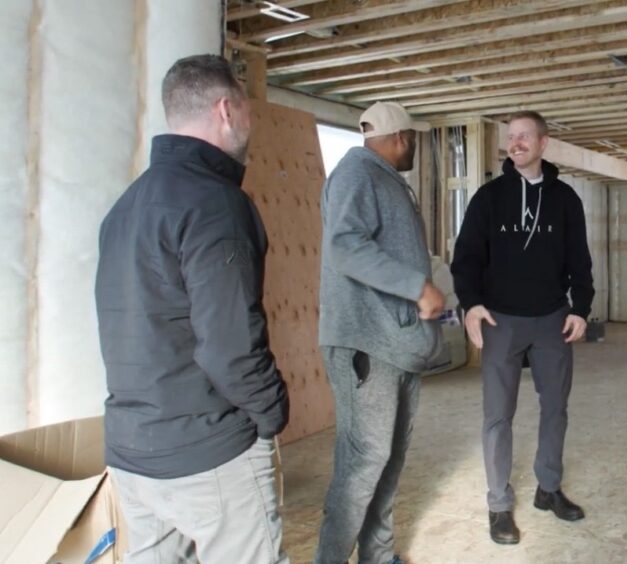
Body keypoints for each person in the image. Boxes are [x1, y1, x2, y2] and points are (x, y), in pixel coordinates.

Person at [95, 54, 289, 563]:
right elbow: (230, 347)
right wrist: (272, 412)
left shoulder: (126, 206)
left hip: (133, 453)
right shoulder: (215, 204)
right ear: (226, 109)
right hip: (210, 452)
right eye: (246, 104)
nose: (250, 118)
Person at [451, 110, 594, 545]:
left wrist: (581, 308)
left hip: (552, 318)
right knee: (498, 416)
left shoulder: (566, 199)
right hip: (501, 319)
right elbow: (467, 259)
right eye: (510, 138)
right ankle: (498, 505)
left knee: (556, 408)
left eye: (524, 137)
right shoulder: (488, 197)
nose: (515, 144)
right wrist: (472, 305)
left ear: (543, 143)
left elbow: (579, 260)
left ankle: (548, 489)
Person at [315, 101, 448, 564]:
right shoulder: (358, 174)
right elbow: (345, 247)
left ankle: (378, 555)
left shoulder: (385, 179)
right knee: (363, 461)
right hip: (366, 346)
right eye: (413, 138)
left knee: (388, 459)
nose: (414, 146)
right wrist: (417, 286)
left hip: (396, 345)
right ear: (400, 138)